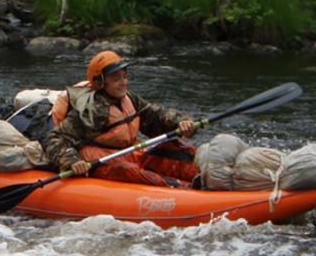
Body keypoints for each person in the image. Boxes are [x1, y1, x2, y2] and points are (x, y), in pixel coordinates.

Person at [44, 50, 201, 187]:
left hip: (131, 154)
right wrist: (71, 161)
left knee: (181, 151)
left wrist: (180, 122)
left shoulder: (130, 99)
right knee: (127, 170)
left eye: (125, 77)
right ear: (100, 83)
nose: (123, 83)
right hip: (102, 164)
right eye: (116, 79)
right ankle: (179, 188)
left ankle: (203, 177)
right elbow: (55, 138)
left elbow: (156, 116)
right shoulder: (90, 110)